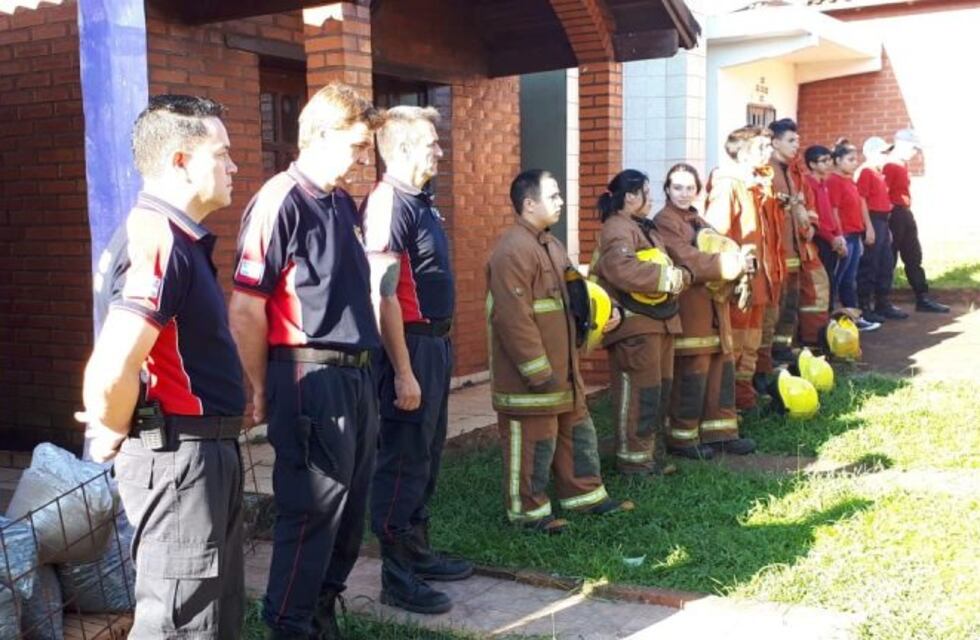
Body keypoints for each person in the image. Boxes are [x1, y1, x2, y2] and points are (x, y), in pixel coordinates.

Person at [80, 95, 247, 638]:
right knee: (181, 623)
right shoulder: (157, 239)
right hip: (179, 459)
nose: (233, 166)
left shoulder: (173, 237)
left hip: (197, 455)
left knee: (212, 617)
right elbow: (112, 367)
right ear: (180, 159)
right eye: (221, 153)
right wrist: (108, 425)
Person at [228, 83, 383, 639]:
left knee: (349, 512)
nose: (365, 158)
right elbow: (246, 308)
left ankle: (321, 612)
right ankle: (289, 626)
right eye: (357, 145)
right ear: (319, 135)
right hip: (308, 375)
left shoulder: (341, 201)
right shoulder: (279, 199)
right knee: (311, 511)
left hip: (357, 375)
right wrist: (258, 388)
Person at [361, 106, 472, 615]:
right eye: (432, 143)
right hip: (410, 346)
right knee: (402, 461)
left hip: (435, 345)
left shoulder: (422, 202)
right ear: (402, 148)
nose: (441, 151)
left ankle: (419, 554)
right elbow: (381, 294)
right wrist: (403, 370)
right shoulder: (389, 202)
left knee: (424, 455)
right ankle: (397, 575)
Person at [486, 169, 633, 534]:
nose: (561, 202)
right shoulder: (512, 251)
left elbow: (578, 294)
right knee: (533, 442)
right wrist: (537, 372)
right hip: (531, 378)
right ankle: (529, 514)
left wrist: (606, 313)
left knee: (576, 432)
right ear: (529, 203)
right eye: (553, 196)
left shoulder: (550, 244)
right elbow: (512, 319)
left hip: (564, 370)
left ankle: (585, 497)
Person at [655, 163, 756, 457]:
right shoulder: (664, 221)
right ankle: (683, 439)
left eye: (689, 188)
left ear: (697, 190)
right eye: (677, 187)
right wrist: (730, 265)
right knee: (693, 370)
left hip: (714, 305)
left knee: (720, 368)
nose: (684, 193)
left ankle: (721, 433)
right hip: (691, 306)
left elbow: (719, 246)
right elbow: (684, 257)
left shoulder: (698, 220)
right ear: (667, 190)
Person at [591, 169, 687, 474]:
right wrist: (666, 278)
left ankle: (648, 456)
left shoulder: (641, 227)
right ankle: (633, 462)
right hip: (637, 328)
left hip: (659, 324)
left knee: (658, 391)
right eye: (646, 191)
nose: (651, 198)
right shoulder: (617, 228)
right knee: (640, 394)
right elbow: (621, 267)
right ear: (630, 196)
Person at [704, 127, 779, 412]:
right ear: (744, 152)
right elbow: (715, 237)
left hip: (757, 282)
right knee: (733, 347)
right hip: (740, 285)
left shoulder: (755, 184)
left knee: (750, 345)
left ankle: (744, 402)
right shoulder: (729, 185)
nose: (769, 151)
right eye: (762, 147)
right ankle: (724, 408)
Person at [883, 129, 949, 313]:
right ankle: (883, 302)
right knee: (890, 259)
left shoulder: (901, 165)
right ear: (900, 143)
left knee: (913, 255)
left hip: (904, 212)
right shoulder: (890, 166)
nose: (914, 152)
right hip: (893, 214)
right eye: (912, 147)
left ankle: (923, 297)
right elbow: (884, 195)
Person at [826, 139, 880, 332]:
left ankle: (854, 318)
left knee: (849, 280)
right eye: (850, 159)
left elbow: (859, 206)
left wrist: (866, 229)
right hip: (845, 237)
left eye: (855, 159)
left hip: (855, 235)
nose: (854, 163)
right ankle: (831, 321)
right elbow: (833, 211)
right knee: (838, 280)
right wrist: (839, 237)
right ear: (838, 160)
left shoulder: (849, 180)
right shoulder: (833, 181)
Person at [857, 136, 907, 321]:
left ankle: (882, 303)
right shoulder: (866, 172)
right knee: (870, 265)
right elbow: (861, 199)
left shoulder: (879, 172)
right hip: (873, 219)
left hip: (883, 221)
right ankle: (864, 305)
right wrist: (868, 227)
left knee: (886, 263)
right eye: (882, 152)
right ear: (870, 153)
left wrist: (887, 229)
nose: (886, 155)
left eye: (887, 152)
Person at [803, 144, 846, 310]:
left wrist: (839, 235)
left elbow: (829, 213)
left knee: (831, 279)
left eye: (829, 159)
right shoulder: (809, 184)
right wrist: (832, 238)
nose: (828, 163)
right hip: (820, 239)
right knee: (823, 280)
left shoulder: (823, 183)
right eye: (824, 160)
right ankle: (821, 321)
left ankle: (828, 316)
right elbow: (815, 218)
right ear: (812, 164)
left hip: (831, 238)